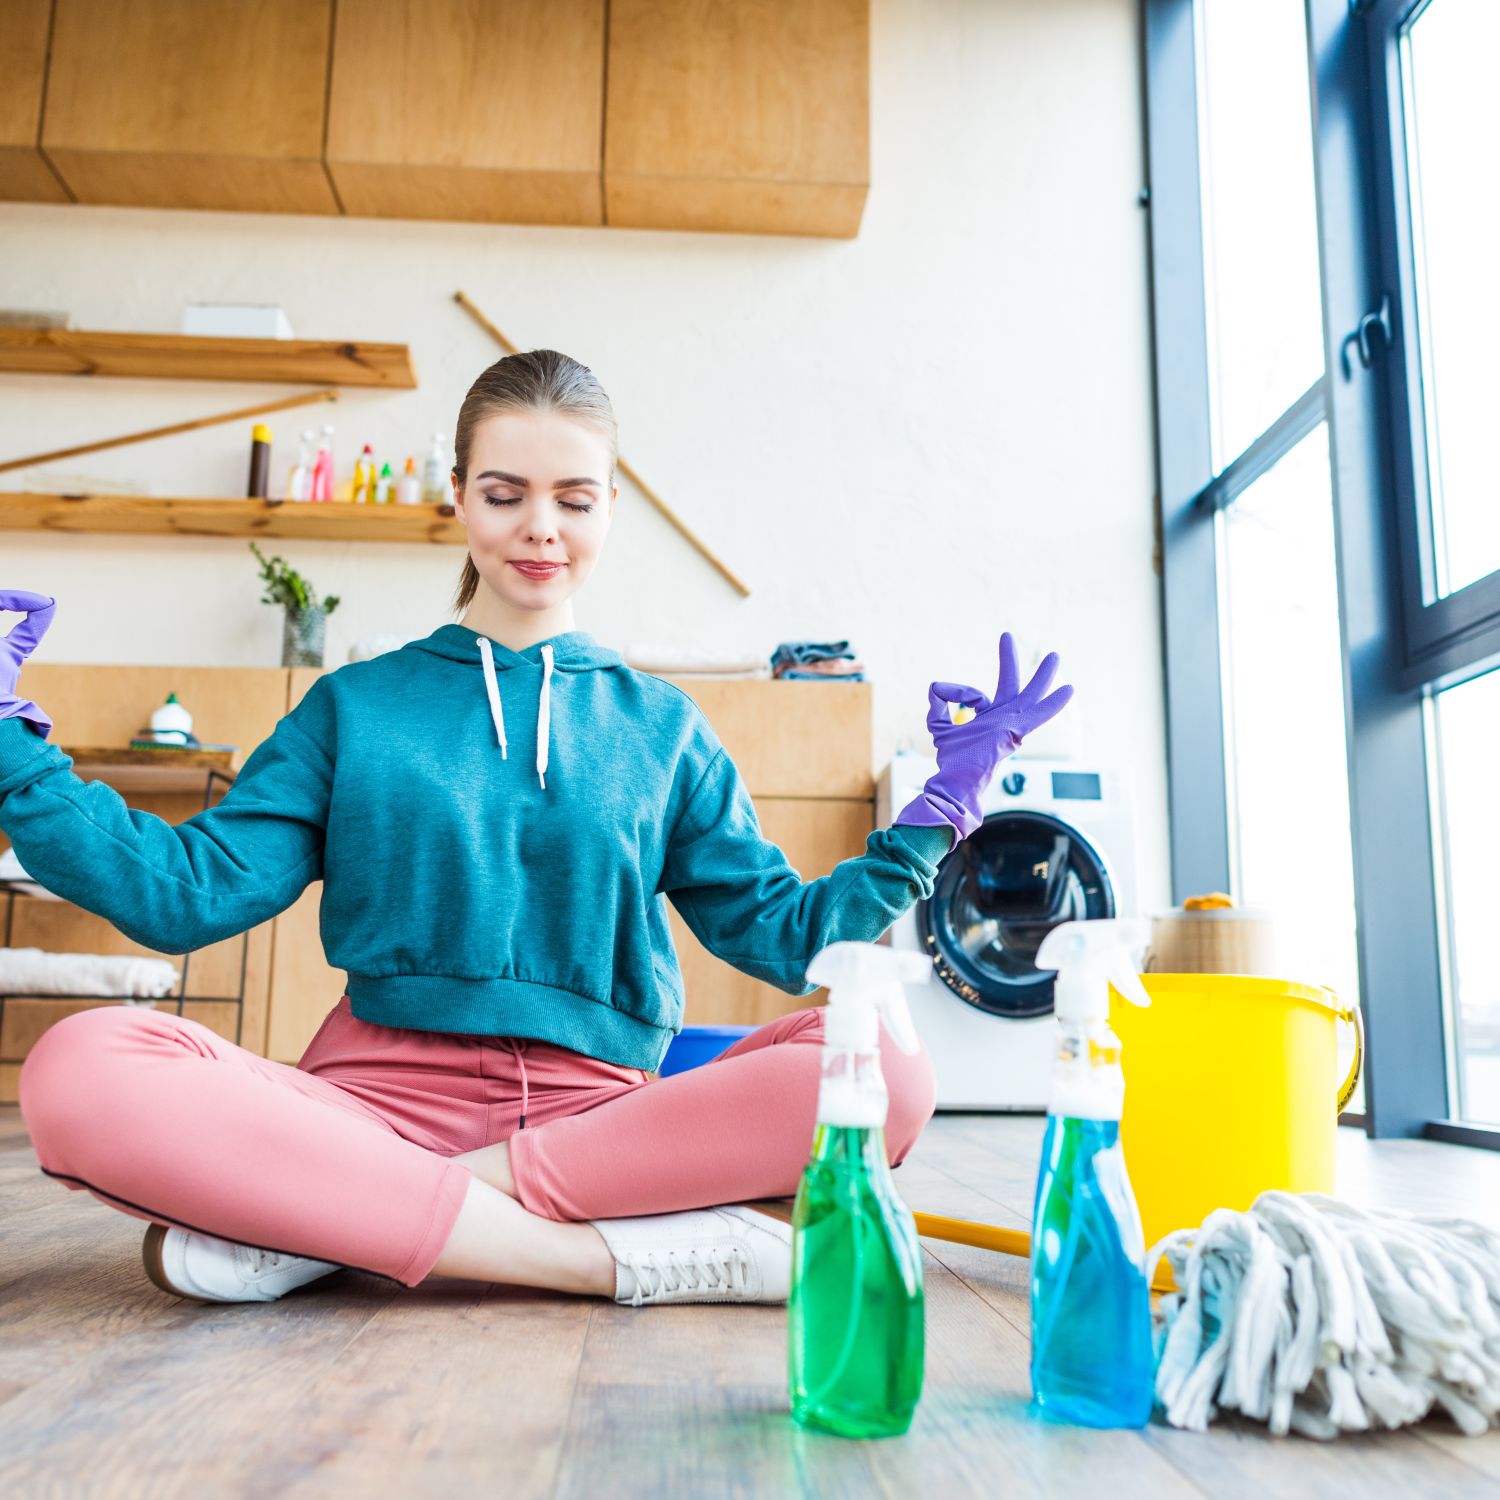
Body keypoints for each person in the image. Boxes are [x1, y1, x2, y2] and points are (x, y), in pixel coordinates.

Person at [0, 350, 1073, 1307]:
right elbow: (188, 893)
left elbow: (790, 940)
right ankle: (608, 1261)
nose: (540, 529)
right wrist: (13, 751)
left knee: (889, 1065)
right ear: (460, 496)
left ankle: (334, 1228)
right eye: (506, 494)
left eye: (574, 498)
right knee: (81, 1066)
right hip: (366, 1111)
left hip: (601, 1128)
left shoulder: (662, 728)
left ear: (611, 509)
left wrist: (936, 817)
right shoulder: (355, 706)